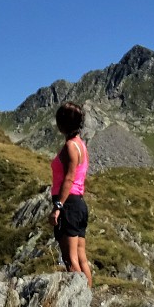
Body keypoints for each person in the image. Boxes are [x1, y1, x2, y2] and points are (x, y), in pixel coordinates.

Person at [50, 102, 92, 287]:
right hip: (79, 204)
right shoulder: (81, 145)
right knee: (82, 258)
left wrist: (58, 207)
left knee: (70, 259)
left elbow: (68, 179)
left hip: (69, 204)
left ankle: (78, 300)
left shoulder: (69, 147)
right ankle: (87, 298)